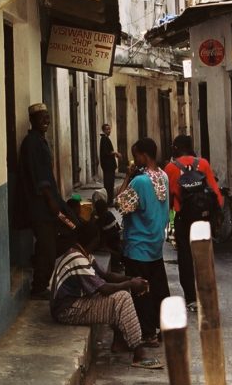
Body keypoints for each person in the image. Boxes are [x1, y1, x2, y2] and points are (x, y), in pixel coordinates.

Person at [50, 224, 162, 369]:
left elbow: (106, 275)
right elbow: (103, 288)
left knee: (122, 293)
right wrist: (130, 283)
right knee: (122, 297)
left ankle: (120, 342)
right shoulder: (77, 258)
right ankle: (139, 353)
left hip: (74, 303)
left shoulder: (83, 253)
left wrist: (131, 279)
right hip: (66, 310)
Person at [17, 103, 77, 299]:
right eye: (42, 117)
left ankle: (38, 260)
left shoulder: (41, 141)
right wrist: (52, 202)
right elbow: (39, 177)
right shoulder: (31, 143)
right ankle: (39, 286)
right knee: (48, 247)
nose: (46, 120)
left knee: (71, 228)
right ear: (33, 120)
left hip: (51, 202)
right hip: (41, 205)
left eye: (47, 117)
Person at [116, 137, 170, 345]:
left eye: (135, 155)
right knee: (158, 290)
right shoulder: (163, 176)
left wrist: (127, 177)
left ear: (143, 155)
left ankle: (148, 333)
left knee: (142, 293)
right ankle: (163, 328)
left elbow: (120, 204)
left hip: (138, 246)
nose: (133, 160)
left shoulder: (139, 181)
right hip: (155, 245)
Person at [164, 134, 223, 312]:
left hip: (183, 220)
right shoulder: (203, 164)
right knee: (204, 257)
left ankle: (191, 299)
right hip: (203, 219)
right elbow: (215, 193)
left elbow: (168, 199)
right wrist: (215, 216)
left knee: (185, 259)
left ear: (176, 148)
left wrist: (168, 221)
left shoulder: (170, 168)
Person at [92, 188, 124, 272]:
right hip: (115, 241)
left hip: (109, 243)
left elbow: (96, 230)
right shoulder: (110, 214)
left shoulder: (101, 219)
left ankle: (115, 265)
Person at [99, 123, 121, 205]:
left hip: (108, 166)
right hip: (108, 166)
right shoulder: (104, 139)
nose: (109, 131)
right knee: (109, 184)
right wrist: (115, 153)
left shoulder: (105, 139)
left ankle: (109, 200)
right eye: (107, 129)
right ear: (104, 130)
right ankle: (109, 201)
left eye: (109, 129)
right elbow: (106, 152)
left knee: (110, 183)